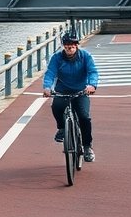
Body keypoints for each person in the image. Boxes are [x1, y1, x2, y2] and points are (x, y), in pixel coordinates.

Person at [42, 32, 99, 161]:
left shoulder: (85, 56)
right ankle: (61, 128)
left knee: (84, 117)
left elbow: (92, 71)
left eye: (72, 46)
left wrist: (92, 85)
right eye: (67, 46)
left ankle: (87, 147)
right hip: (62, 90)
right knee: (56, 107)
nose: (69, 49)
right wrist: (47, 87)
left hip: (81, 91)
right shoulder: (57, 57)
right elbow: (50, 72)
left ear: (76, 46)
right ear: (63, 46)